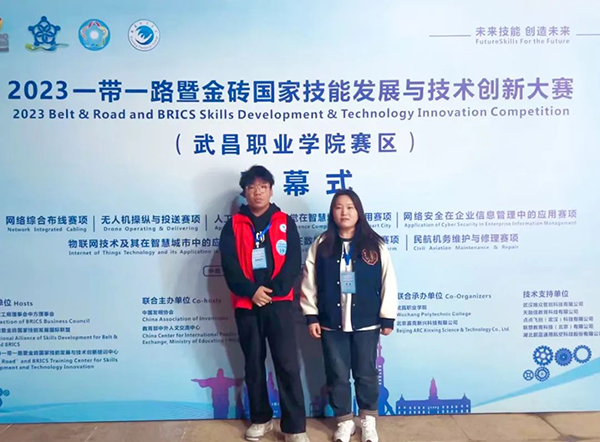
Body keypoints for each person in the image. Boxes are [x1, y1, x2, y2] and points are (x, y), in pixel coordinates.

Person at [220, 165, 309, 442]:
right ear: (244, 193)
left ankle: (294, 427)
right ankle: (261, 419)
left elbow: (293, 262)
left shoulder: (284, 222)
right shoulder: (233, 225)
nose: (257, 192)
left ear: (271, 190)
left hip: (279, 304)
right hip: (247, 306)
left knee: (287, 365)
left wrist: (271, 291)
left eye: (263, 187)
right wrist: (251, 291)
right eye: (251, 187)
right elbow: (230, 266)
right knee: (254, 365)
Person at [300, 189, 398, 442]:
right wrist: (311, 315)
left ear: (358, 212)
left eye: (350, 207)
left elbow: (388, 280)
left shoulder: (375, 244)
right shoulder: (322, 244)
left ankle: (368, 420)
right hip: (331, 323)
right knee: (337, 374)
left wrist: (387, 316)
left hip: (366, 322)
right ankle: (344, 421)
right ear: (332, 213)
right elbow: (309, 282)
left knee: (366, 372)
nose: (344, 212)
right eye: (339, 207)